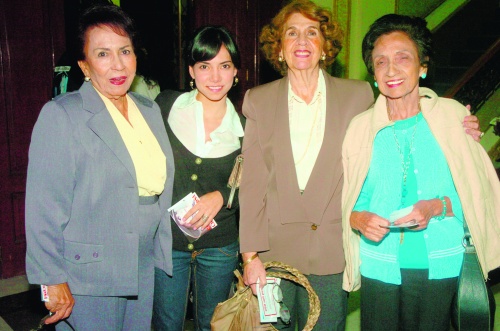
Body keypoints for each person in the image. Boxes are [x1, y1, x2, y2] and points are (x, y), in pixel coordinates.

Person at [238, 1, 482, 330]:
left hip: (331, 251)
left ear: (325, 47)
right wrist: (250, 256)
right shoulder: (258, 100)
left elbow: (404, 103)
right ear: (279, 49)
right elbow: (252, 185)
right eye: (291, 33)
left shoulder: (356, 95)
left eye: (312, 33)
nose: (302, 41)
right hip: (275, 253)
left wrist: (459, 122)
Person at [342, 14, 500, 331]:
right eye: (381, 61)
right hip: (379, 264)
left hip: (442, 261)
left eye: (403, 58)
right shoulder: (360, 128)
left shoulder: (453, 117)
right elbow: (351, 201)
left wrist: (435, 206)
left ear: (422, 66)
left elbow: (475, 193)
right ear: (373, 72)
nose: (391, 70)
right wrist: (359, 219)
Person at [24, 2, 174, 330]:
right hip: (89, 272)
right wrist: (51, 279)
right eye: (103, 54)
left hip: (141, 262)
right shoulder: (63, 115)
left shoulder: (149, 110)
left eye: (125, 51)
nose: (117, 64)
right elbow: (42, 208)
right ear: (85, 65)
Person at [152, 25, 244, 331]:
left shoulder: (246, 126)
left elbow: (258, 182)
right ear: (191, 70)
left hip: (219, 245)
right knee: (167, 323)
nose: (215, 77)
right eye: (205, 66)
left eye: (224, 66)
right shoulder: (165, 106)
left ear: (236, 72)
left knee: (213, 324)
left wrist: (223, 196)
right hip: (169, 241)